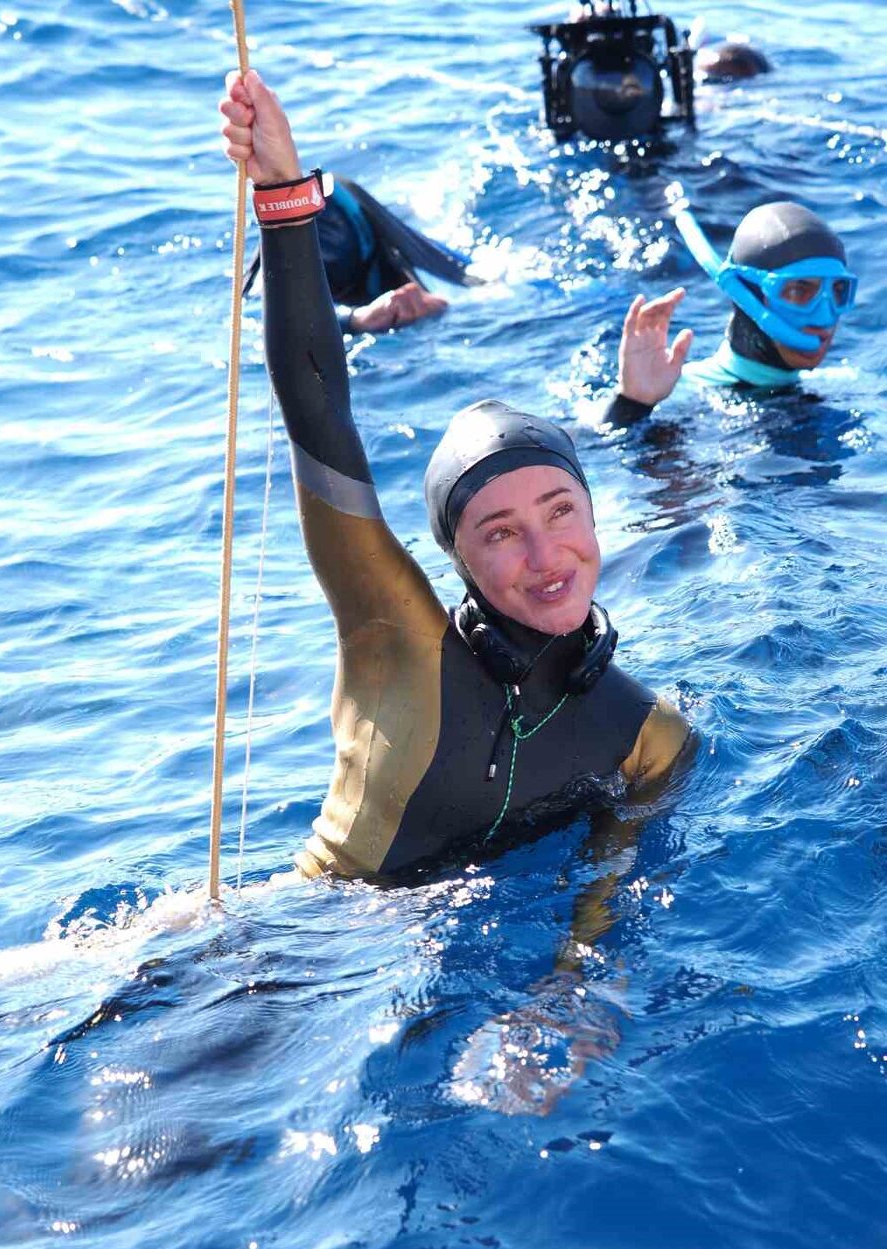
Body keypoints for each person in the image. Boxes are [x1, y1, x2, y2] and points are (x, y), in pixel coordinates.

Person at [220, 69, 691, 884]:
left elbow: (608, 902)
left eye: (559, 513)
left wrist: (574, 995)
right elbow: (318, 412)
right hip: (301, 942)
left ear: (592, 514)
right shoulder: (397, 637)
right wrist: (285, 196)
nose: (546, 558)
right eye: (500, 534)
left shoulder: (648, 732)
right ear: (458, 559)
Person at [602, 200, 858, 428]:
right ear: (747, 295)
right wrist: (632, 407)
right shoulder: (673, 394)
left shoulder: (848, 386)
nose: (824, 317)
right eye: (798, 290)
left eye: (838, 290)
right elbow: (573, 461)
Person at [243, 171, 476, 335]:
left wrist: (439, 306)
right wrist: (358, 320)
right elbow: (275, 318)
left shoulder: (411, 258)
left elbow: (482, 290)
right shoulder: (269, 277)